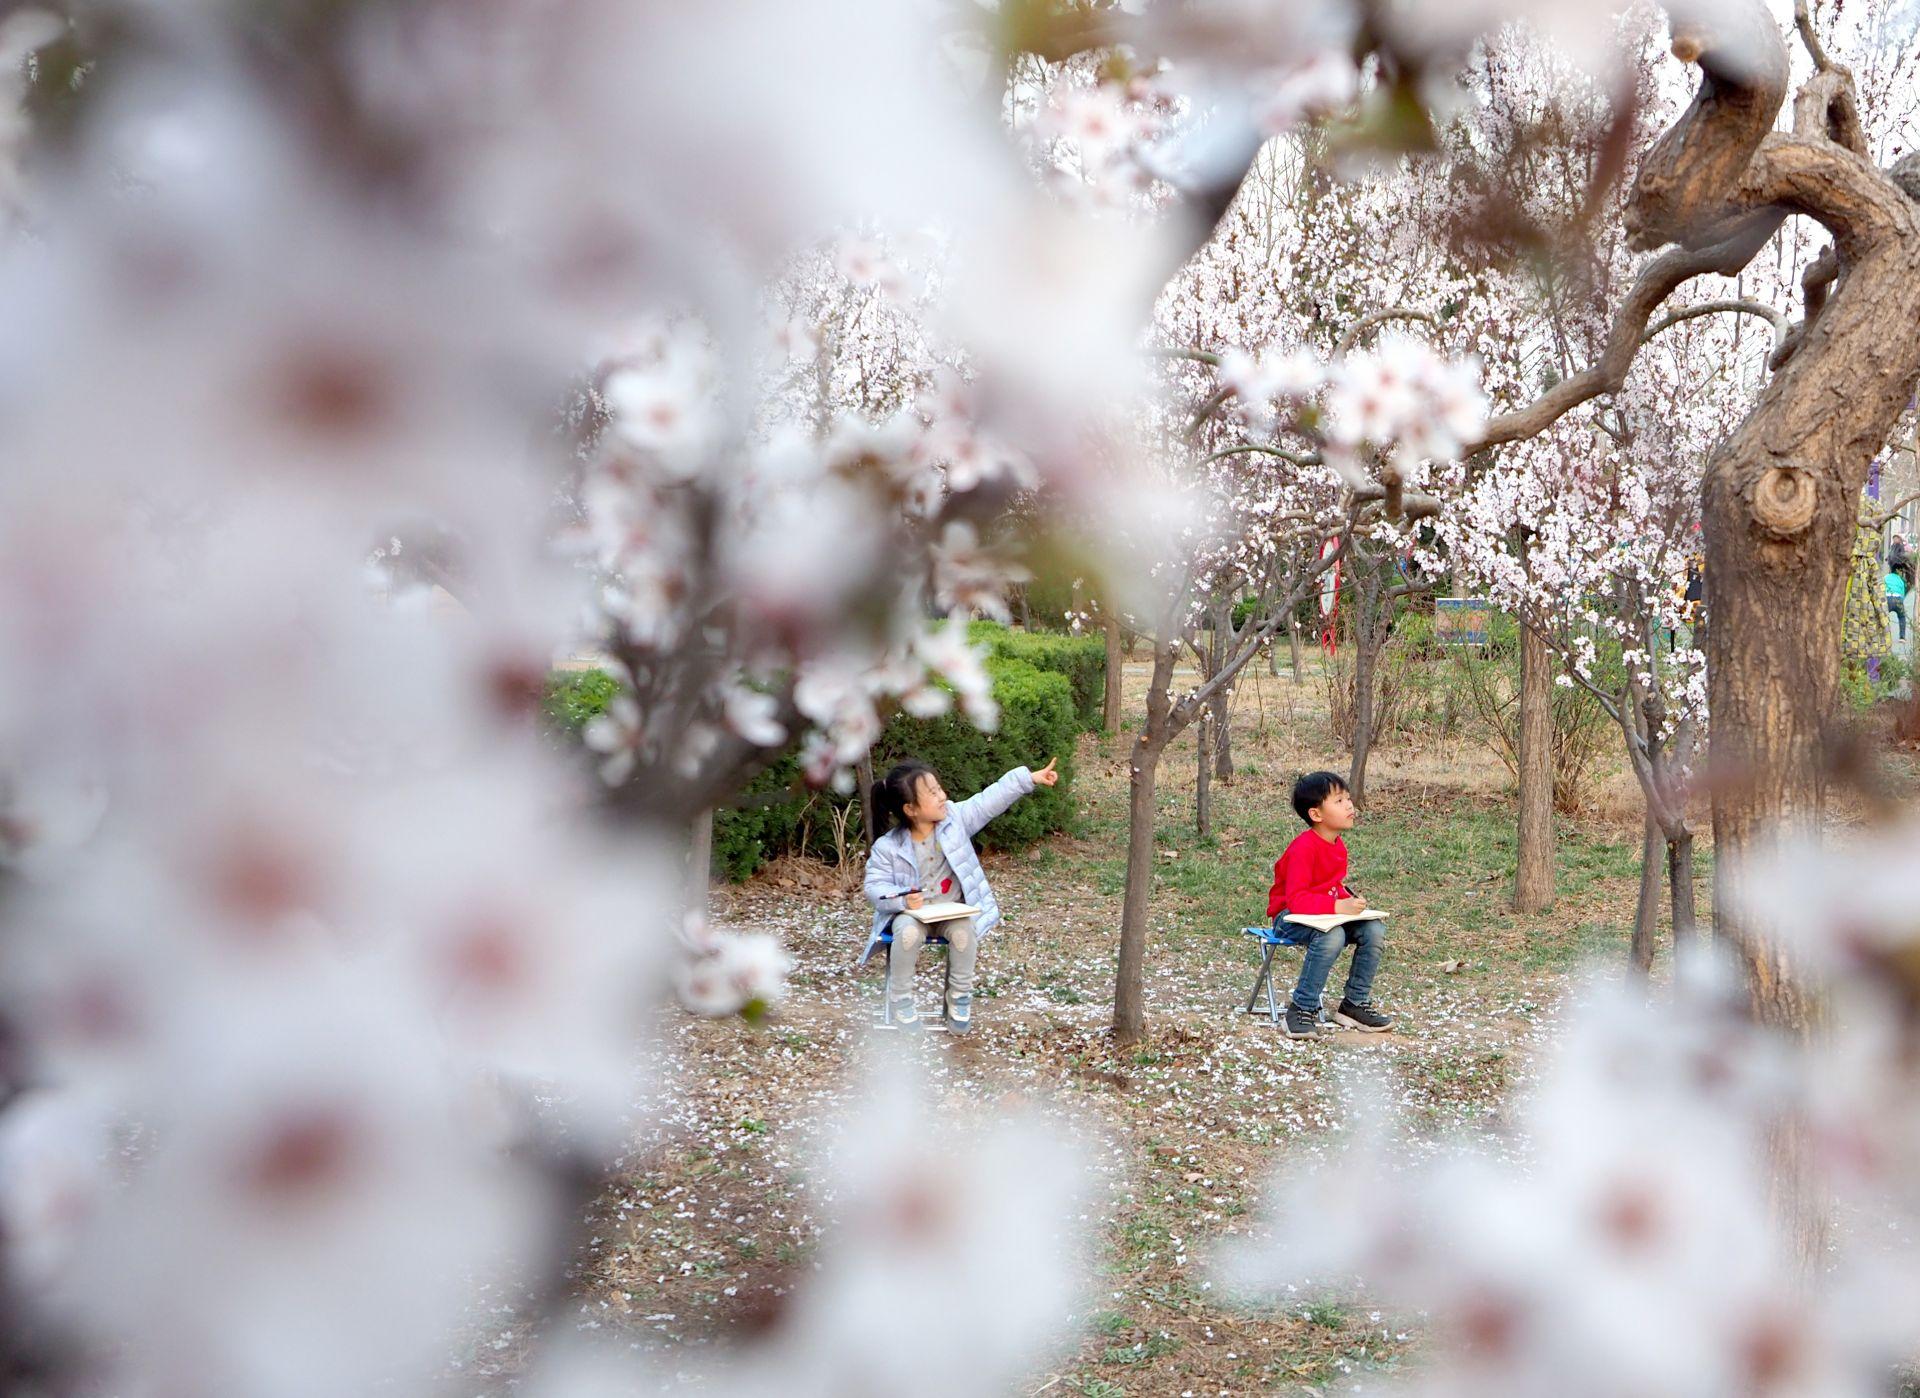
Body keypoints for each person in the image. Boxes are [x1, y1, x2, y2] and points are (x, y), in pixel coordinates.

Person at [862, 757, 1059, 1032]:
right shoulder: (888, 846)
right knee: (906, 934)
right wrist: (902, 899)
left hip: (951, 912)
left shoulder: (956, 821)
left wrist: (1027, 779)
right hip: (911, 915)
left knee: (965, 933)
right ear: (911, 809)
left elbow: (989, 800)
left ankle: (959, 997)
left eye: (939, 789)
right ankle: (900, 998)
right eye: (932, 794)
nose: (942, 796)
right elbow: (874, 887)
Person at [1266, 771, 1394, 1039]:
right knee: (1332, 935)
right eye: (1339, 801)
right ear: (1316, 814)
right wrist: (1338, 907)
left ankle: (1354, 1004)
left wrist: (1348, 901)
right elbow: (1297, 900)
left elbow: (1330, 886)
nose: (1349, 805)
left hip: (1323, 916)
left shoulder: (1338, 846)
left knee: (1374, 930)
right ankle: (1301, 1008)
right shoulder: (1303, 847)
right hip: (1289, 919)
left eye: (1348, 799)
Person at [1889, 565, 1910, 643]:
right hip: (1898, 599)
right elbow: (1902, 594)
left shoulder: (1886, 577)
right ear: (1899, 572)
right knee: (1902, 617)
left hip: (1888, 598)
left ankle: (1882, 635)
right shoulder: (1901, 580)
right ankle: (1902, 637)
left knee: (1883, 616)